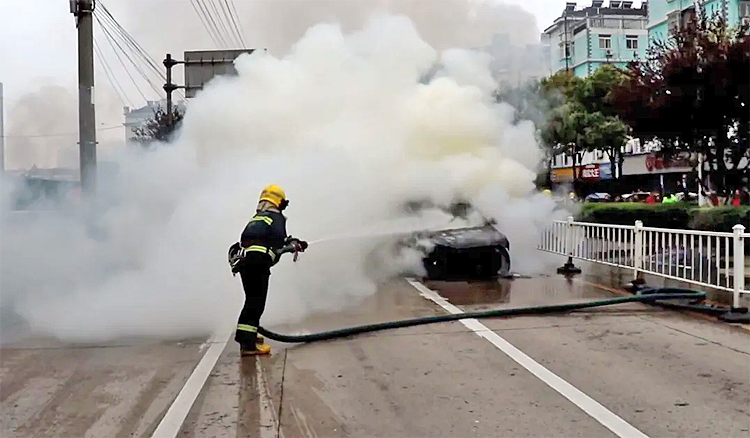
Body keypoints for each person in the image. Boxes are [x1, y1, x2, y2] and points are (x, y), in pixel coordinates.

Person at [227, 184, 308, 356]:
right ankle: (247, 345)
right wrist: (293, 245)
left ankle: (249, 335)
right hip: (258, 263)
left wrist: (292, 242)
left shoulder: (257, 218)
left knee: (251, 299)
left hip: (245, 263)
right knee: (256, 303)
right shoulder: (276, 217)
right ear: (279, 202)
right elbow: (279, 241)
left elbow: (265, 239)